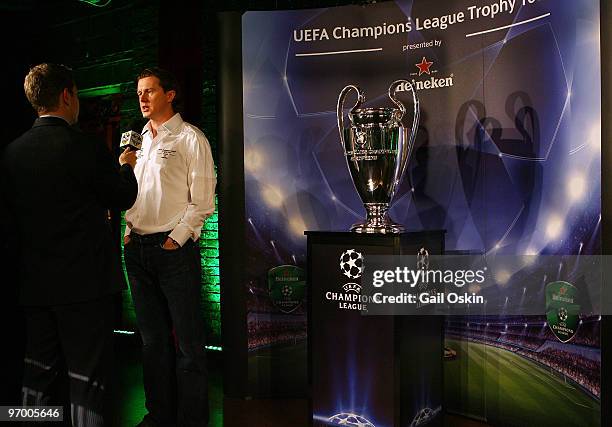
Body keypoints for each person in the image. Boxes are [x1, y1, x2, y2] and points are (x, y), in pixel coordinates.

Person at [1, 63, 138, 425]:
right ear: (66, 96)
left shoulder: (11, 154)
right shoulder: (85, 148)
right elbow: (123, 197)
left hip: (34, 287)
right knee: (86, 378)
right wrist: (126, 166)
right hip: (84, 287)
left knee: (36, 375)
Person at [123, 67, 216, 427]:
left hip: (172, 251)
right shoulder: (137, 140)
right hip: (137, 249)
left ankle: (193, 419)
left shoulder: (191, 138)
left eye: (150, 91)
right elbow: (130, 192)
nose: (142, 98)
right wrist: (128, 232)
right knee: (151, 343)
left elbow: (203, 201)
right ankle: (158, 415)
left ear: (170, 94)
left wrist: (175, 239)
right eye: (139, 93)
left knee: (189, 345)